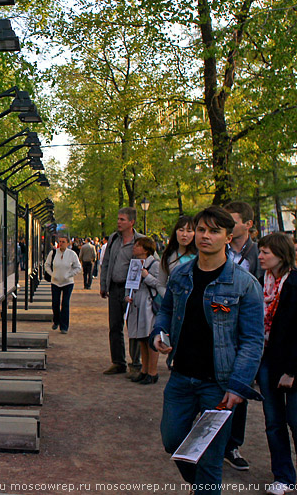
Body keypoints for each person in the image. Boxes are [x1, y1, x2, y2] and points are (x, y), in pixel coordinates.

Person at [151, 206, 264, 495]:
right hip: (181, 377)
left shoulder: (244, 284)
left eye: (214, 231)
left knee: (211, 462)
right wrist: (158, 334)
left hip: (219, 384)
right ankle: (201, 484)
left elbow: (253, 340)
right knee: (172, 440)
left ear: (228, 237)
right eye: (201, 229)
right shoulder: (181, 275)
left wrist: (239, 385)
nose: (204, 236)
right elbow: (165, 310)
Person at [254, 233, 297, 495]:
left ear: (281, 255)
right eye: (260, 251)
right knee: (273, 422)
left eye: (266, 252)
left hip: (291, 363)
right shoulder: (260, 283)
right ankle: (283, 475)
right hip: (266, 359)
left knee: (295, 421)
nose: (260, 256)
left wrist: (292, 370)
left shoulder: (295, 284)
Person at [222, 200, 262, 471]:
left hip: (244, 331)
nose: (227, 225)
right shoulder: (217, 249)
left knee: (238, 387)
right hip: (218, 326)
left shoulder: (258, 255)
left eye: (232, 220)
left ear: (247, 225)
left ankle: (232, 445)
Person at [100, 207, 146, 375]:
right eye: (118, 219)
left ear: (131, 222)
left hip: (133, 291)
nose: (119, 222)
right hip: (114, 288)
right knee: (114, 326)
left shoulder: (141, 241)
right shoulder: (113, 239)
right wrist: (104, 285)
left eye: (122, 220)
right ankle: (118, 362)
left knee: (133, 327)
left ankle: (136, 364)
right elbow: (106, 263)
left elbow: (150, 263)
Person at [124, 237, 161, 384]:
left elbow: (159, 284)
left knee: (150, 339)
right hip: (136, 304)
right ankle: (144, 370)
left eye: (138, 245)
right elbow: (130, 281)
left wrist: (146, 276)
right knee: (141, 339)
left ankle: (153, 371)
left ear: (145, 249)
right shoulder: (135, 263)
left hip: (148, 304)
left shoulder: (155, 264)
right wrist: (127, 295)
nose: (134, 247)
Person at [44, 235, 81, 334]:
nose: (61, 243)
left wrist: (69, 274)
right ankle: (56, 320)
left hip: (67, 282)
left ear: (68, 243)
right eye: (60, 241)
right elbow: (47, 265)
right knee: (55, 303)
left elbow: (78, 267)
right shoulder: (53, 253)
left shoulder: (72, 254)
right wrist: (52, 274)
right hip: (55, 282)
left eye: (63, 242)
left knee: (65, 303)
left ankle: (64, 326)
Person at [158, 215, 198, 296]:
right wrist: (171, 300)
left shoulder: (201, 256)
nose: (184, 234)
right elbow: (160, 285)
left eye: (189, 231)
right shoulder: (168, 256)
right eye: (181, 230)